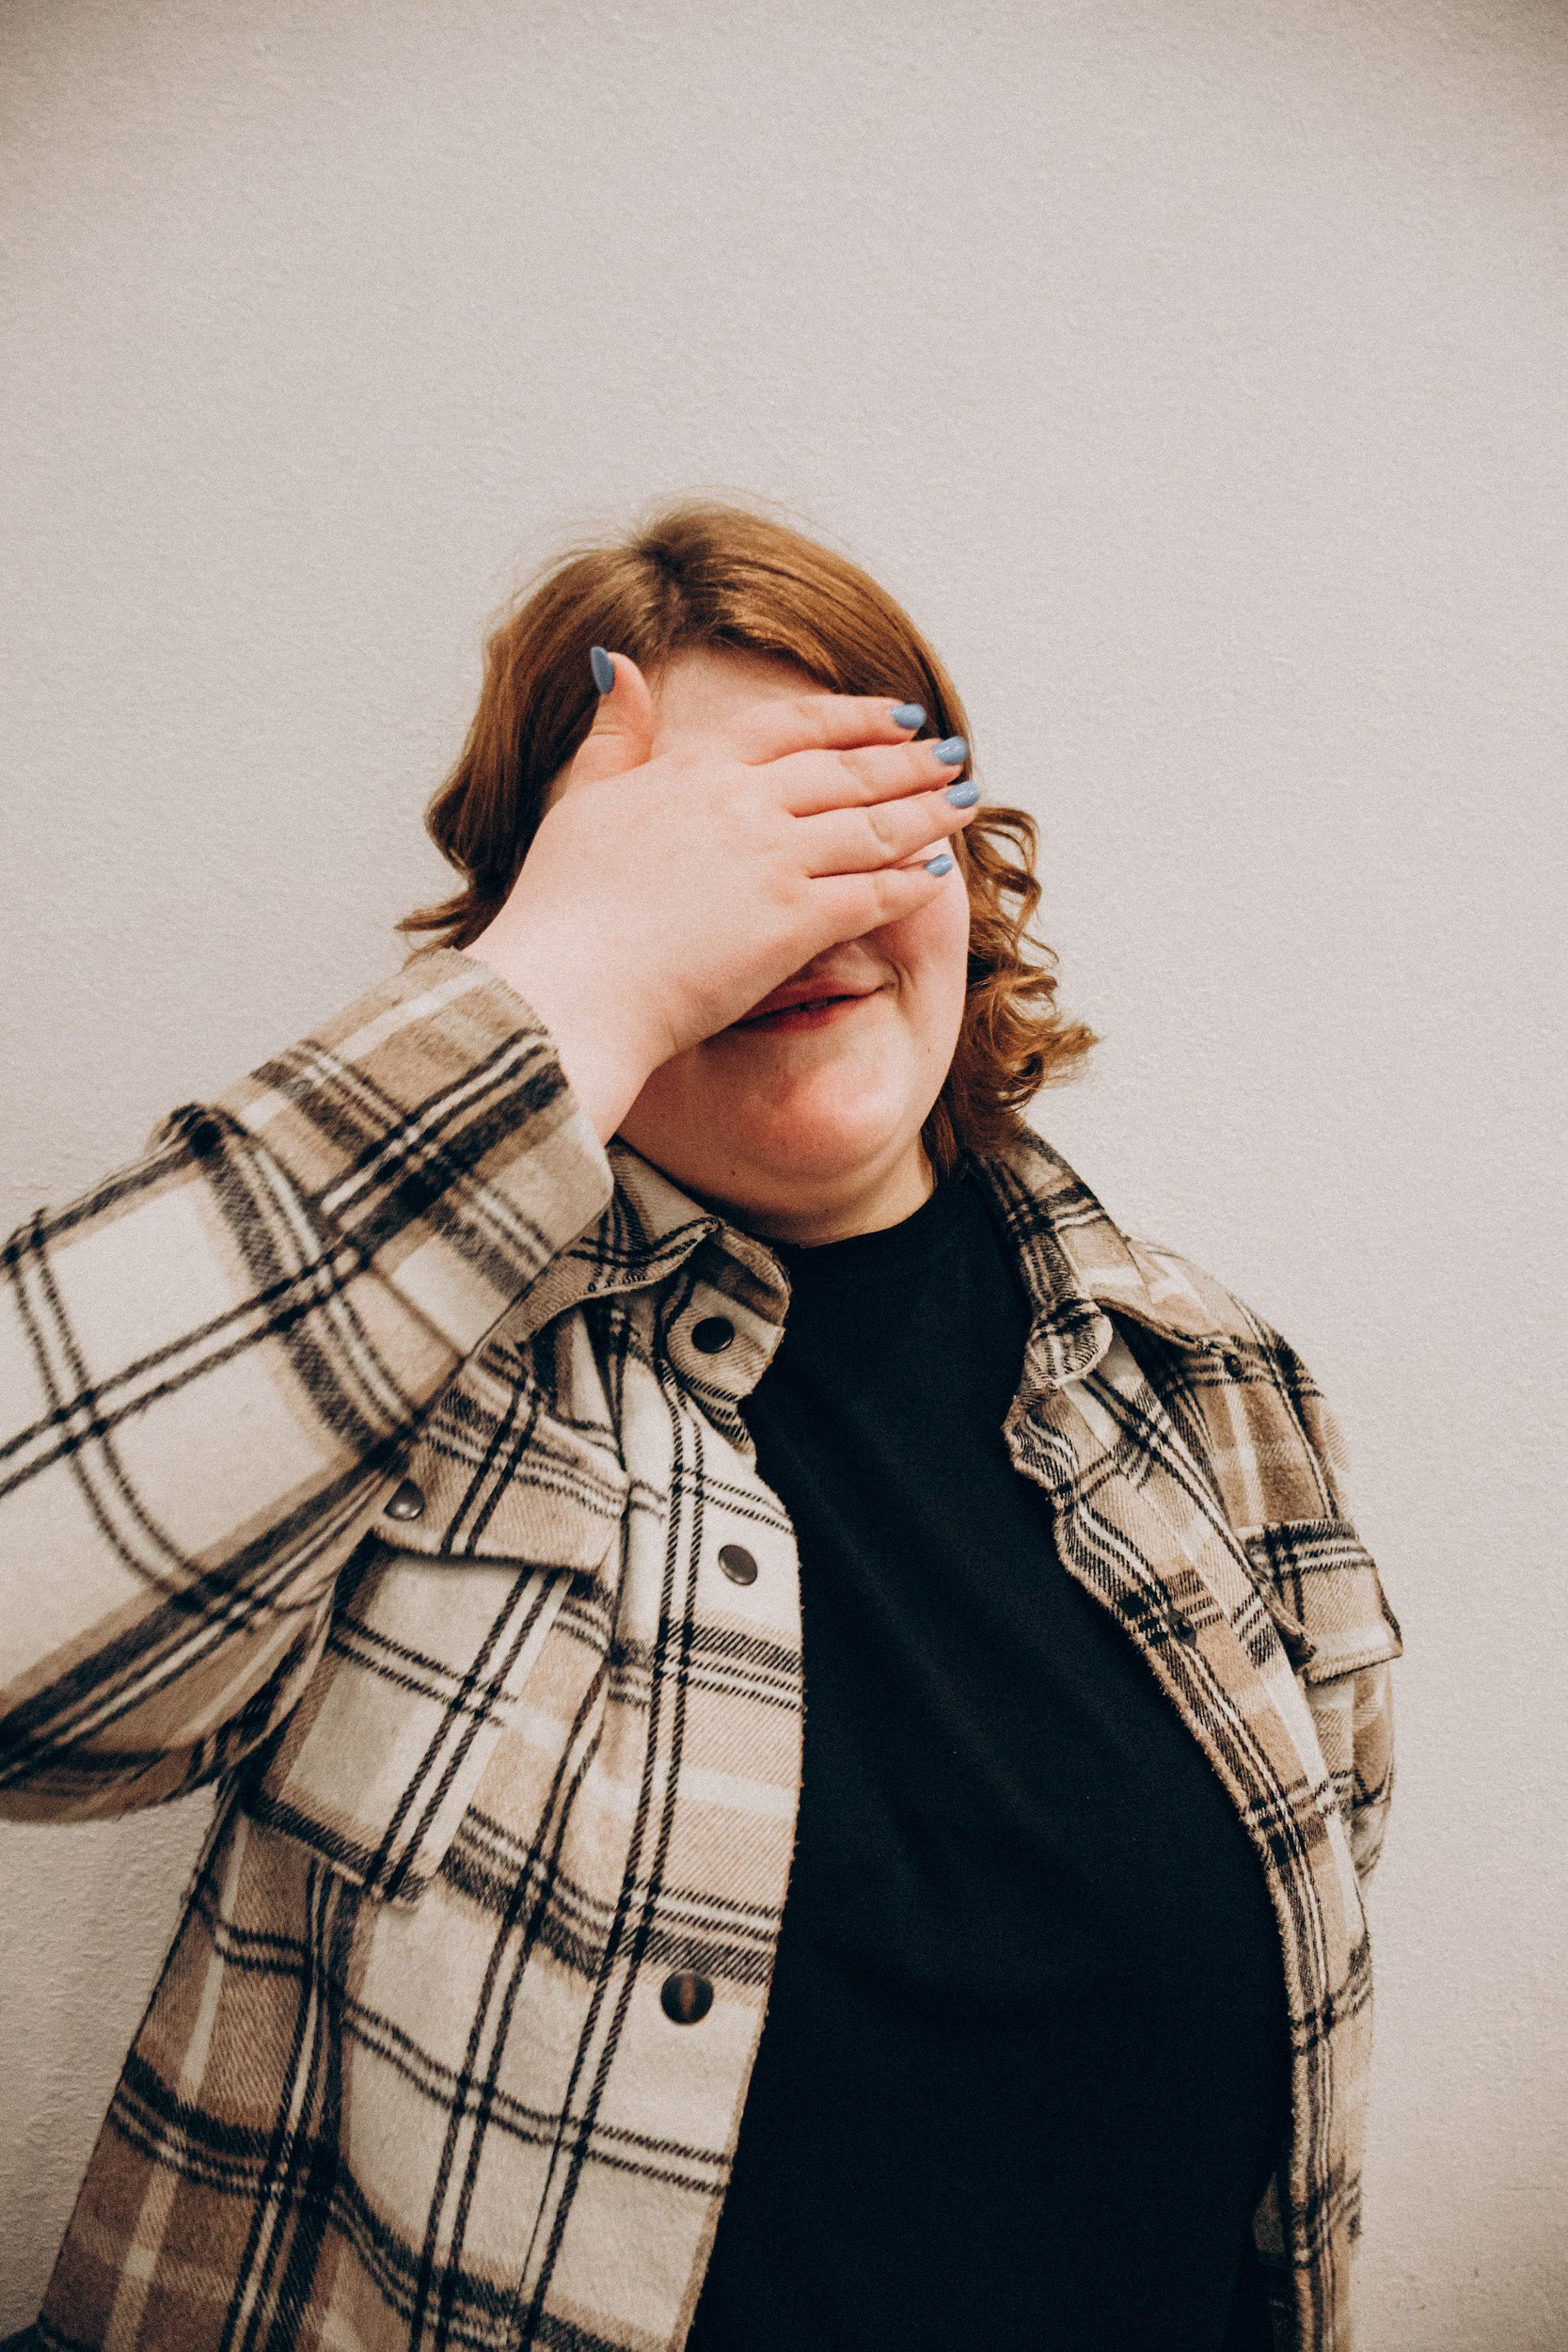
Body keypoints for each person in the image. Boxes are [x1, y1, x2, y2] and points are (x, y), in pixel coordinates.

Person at [0, 500, 1401, 2352]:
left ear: (963, 862)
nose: (785, 912)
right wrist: (565, 991)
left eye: (843, 815)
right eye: (691, 857)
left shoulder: (1215, 1385)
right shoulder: (409, 1386)